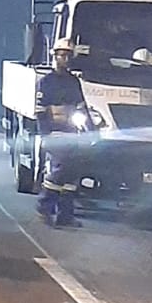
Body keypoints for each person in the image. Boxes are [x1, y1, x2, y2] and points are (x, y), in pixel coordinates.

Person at [36, 39, 88, 228]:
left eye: (67, 55)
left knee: (72, 173)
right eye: (61, 55)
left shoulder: (74, 82)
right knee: (61, 170)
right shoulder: (46, 82)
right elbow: (40, 110)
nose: (64, 58)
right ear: (54, 56)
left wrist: (87, 129)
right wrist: (45, 134)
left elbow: (81, 107)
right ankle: (44, 206)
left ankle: (65, 216)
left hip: (72, 132)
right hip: (54, 132)